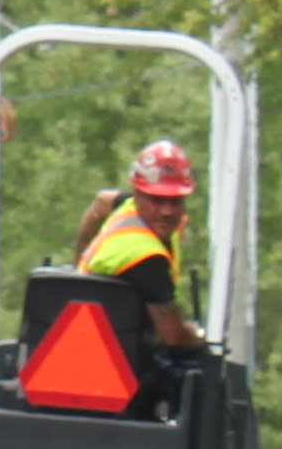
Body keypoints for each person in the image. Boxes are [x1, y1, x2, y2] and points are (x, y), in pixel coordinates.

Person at [71, 137, 208, 358]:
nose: (167, 211)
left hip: (86, 339)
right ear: (138, 194)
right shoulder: (146, 258)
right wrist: (198, 338)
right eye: (157, 200)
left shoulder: (130, 207)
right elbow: (173, 337)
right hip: (111, 361)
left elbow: (101, 201)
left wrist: (78, 261)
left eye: (175, 201)